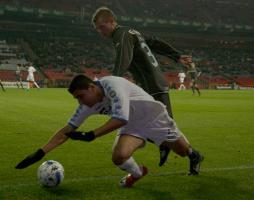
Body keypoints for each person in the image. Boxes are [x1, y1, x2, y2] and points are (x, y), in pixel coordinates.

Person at [15, 75, 204, 188]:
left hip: (153, 117)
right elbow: (67, 131)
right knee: (119, 156)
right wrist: (40, 153)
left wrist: (91, 135)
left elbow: (121, 118)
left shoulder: (112, 85)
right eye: (76, 99)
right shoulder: (86, 105)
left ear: (92, 87)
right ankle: (137, 174)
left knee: (182, 151)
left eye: (80, 96)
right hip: (133, 125)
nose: (80, 102)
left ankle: (194, 155)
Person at [91, 6, 193, 165]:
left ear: (111, 22)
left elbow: (123, 58)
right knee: (154, 126)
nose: (101, 32)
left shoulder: (121, 35)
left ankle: (192, 155)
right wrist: (177, 56)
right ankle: (166, 146)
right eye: (98, 30)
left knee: (167, 130)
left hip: (152, 86)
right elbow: (155, 43)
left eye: (102, 27)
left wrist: (113, 82)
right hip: (151, 86)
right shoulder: (132, 32)